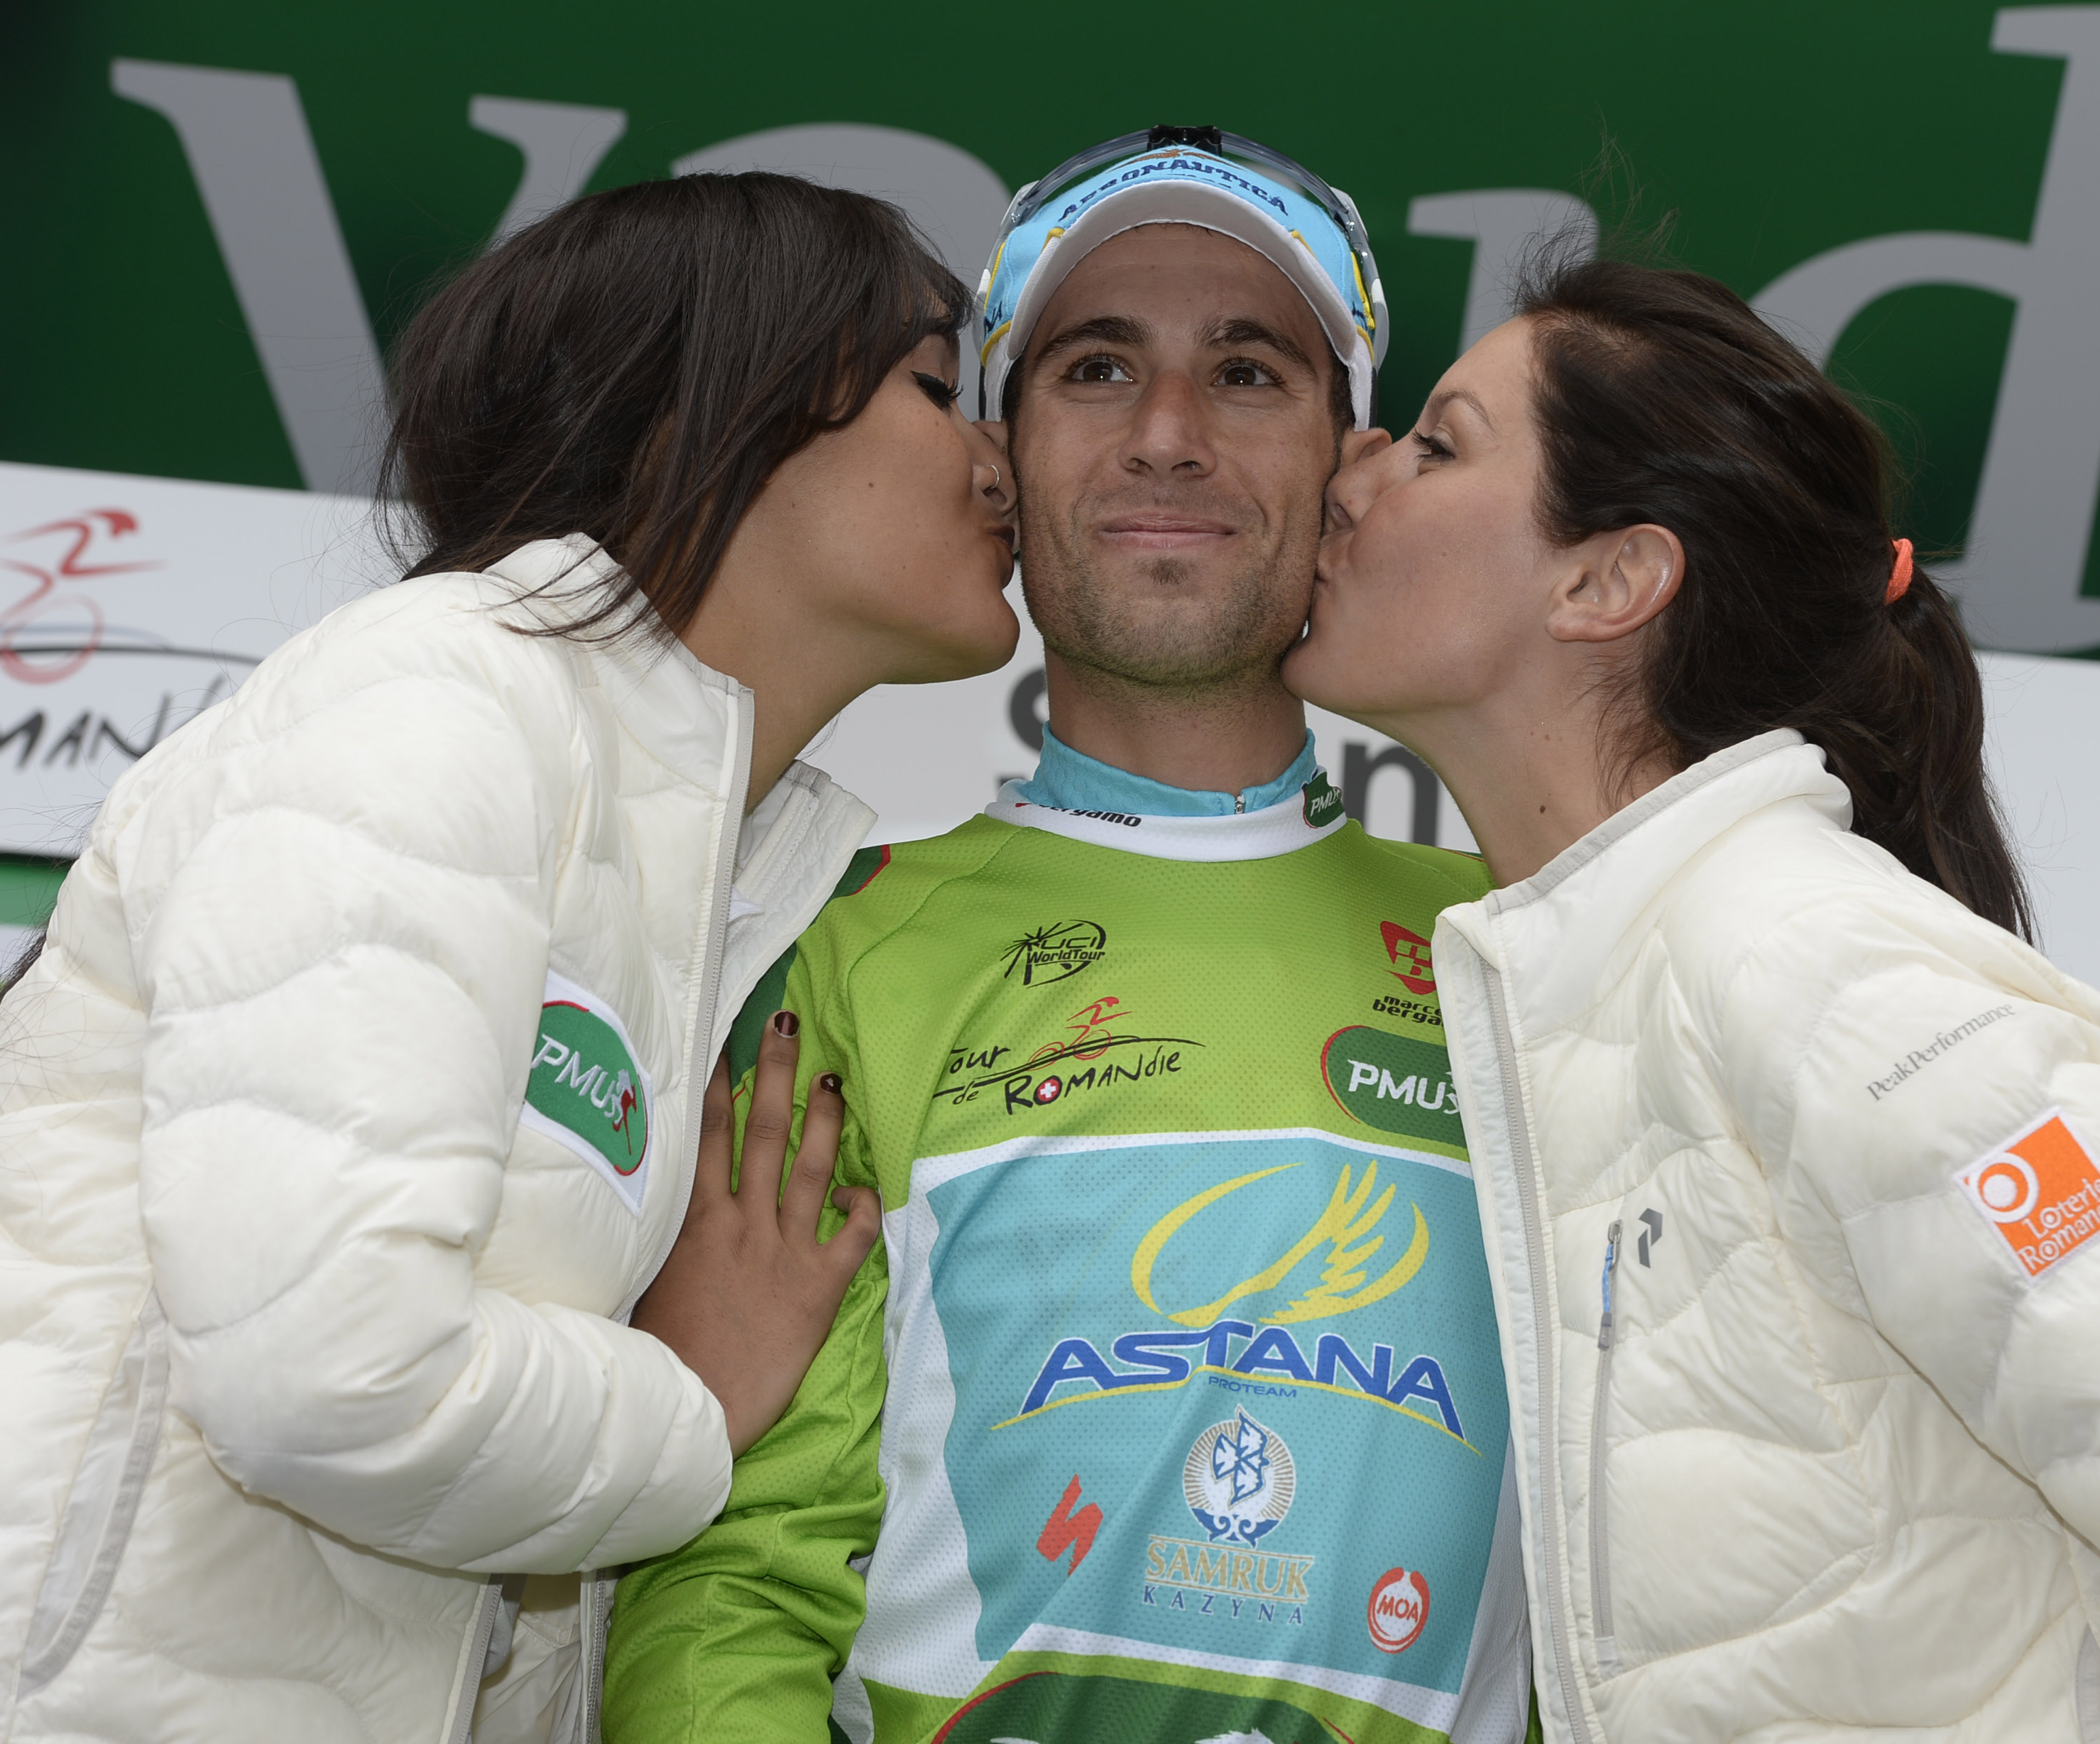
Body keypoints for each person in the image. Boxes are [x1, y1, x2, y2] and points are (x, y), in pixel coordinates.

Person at [1282, 254, 2100, 1743]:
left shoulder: (1812, 962)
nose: (1355, 472)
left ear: (1610, 579)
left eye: (1439, 442)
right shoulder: (1604, 985)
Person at [0, 172, 1022, 1744]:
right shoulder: (437, 701)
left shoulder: (740, 862)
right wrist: (696, 1397)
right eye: (939, 389)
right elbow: (328, 1374)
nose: (996, 457)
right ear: (720, 399)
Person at [603, 129, 1531, 1744]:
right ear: (1001, 465)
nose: (1168, 436)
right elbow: (736, 1587)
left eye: (1248, 373)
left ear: (1351, 470)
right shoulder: (837, 940)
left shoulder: (1527, 954)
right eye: (1097, 368)